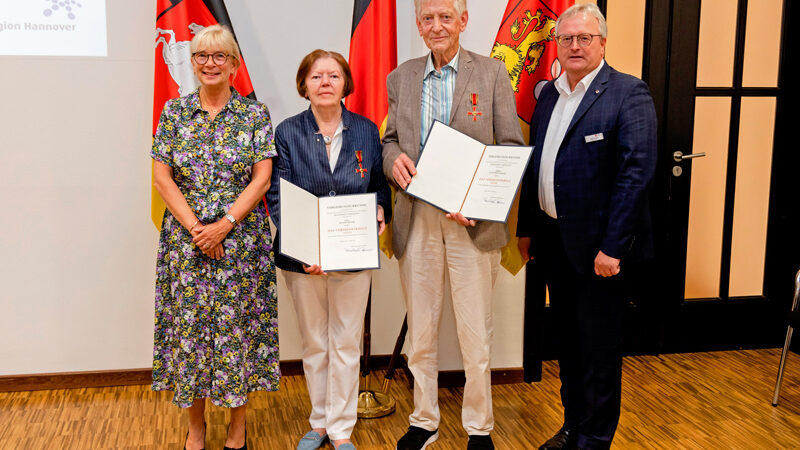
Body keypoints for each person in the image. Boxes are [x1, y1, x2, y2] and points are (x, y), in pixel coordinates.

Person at [382, 1, 524, 448]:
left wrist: (480, 203)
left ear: (464, 22)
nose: (437, 25)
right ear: (418, 26)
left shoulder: (493, 73)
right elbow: (387, 141)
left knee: (474, 332)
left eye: (446, 16)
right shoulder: (400, 77)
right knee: (421, 331)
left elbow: (510, 147)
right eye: (428, 18)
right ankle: (424, 420)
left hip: (472, 222)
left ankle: (479, 428)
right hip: (417, 215)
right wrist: (392, 161)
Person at [516, 4, 658, 449]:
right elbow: (536, 165)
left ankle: (594, 440)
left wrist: (613, 248)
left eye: (584, 38)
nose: (575, 46)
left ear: (602, 43)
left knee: (598, 353)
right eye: (567, 38)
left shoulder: (628, 93)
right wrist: (527, 229)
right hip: (556, 244)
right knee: (569, 348)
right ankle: (572, 427)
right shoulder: (549, 96)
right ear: (556, 44)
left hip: (602, 252)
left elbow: (636, 175)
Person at [150, 24, 279, 450]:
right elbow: (161, 177)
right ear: (192, 63)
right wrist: (198, 230)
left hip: (240, 242)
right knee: (191, 333)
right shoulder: (174, 112)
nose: (210, 63)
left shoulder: (254, 115)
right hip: (186, 245)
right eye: (202, 56)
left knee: (236, 332)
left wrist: (224, 224)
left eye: (219, 56)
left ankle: (238, 426)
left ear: (234, 65)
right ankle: (196, 426)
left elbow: (262, 178)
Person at [265, 49, 391, 450]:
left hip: (352, 254)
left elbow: (377, 184)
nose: (325, 82)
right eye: (316, 76)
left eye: (333, 76)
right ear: (304, 85)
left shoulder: (367, 130)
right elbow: (276, 194)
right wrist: (305, 247)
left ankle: (341, 429)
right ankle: (318, 422)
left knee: (346, 341)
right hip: (301, 259)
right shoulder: (286, 132)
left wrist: (381, 209)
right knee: (315, 342)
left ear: (345, 84)